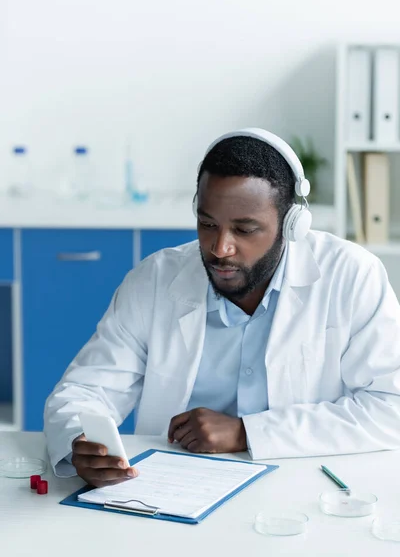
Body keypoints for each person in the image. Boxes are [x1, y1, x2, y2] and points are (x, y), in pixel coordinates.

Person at [44, 128, 400, 487]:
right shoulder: (154, 279)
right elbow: (84, 391)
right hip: (173, 489)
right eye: (207, 224)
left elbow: (391, 408)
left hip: (299, 487)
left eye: (245, 230)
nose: (220, 248)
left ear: (291, 225)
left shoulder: (351, 276)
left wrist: (247, 433)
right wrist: (81, 444)